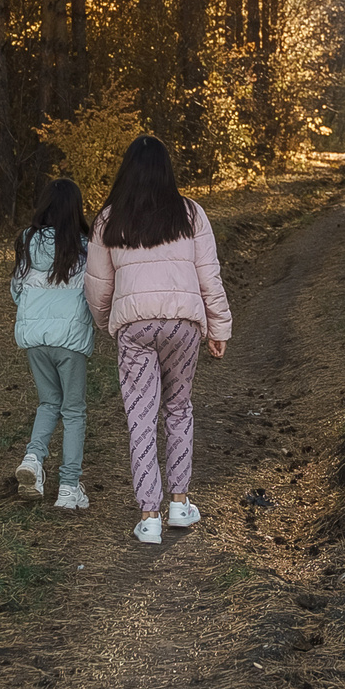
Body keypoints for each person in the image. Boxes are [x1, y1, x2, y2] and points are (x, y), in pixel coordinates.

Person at [84, 135, 232, 545]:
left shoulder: (109, 220)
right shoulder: (190, 213)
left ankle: (149, 516)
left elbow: (98, 286)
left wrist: (104, 321)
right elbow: (209, 276)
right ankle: (180, 505)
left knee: (140, 417)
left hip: (135, 330)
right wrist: (218, 327)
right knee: (179, 408)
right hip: (183, 326)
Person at [11, 178, 94, 510]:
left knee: (48, 404)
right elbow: (95, 292)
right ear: (76, 210)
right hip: (70, 341)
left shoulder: (27, 242)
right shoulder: (84, 246)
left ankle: (33, 460)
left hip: (35, 341)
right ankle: (69, 487)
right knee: (73, 411)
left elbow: (16, 290)